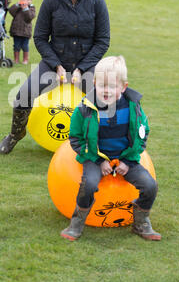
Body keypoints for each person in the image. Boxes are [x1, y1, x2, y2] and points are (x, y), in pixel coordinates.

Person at [0, 0, 110, 155]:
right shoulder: (51, 0)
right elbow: (40, 37)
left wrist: (82, 69)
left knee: (105, 102)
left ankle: (106, 146)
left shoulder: (97, 2)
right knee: (22, 96)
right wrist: (57, 65)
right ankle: (14, 135)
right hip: (53, 63)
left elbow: (102, 41)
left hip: (87, 65)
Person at [61, 55, 161, 242]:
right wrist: (98, 161)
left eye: (112, 86)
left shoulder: (134, 107)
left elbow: (142, 133)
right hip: (94, 157)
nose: (106, 90)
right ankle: (77, 222)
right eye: (102, 85)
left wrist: (128, 161)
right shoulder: (84, 108)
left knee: (150, 186)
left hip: (126, 158)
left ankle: (141, 223)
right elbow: (75, 138)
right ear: (95, 83)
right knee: (89, 184)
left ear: (123, 87)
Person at [8, 0, 36, 64]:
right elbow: (11, 11)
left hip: (25, 31)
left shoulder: (31, 8)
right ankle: (16, 59)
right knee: (16, 46)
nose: (25, 1)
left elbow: (29, 17)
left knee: (25, 46)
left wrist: (25, 9)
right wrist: (17, 5)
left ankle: (25, 59)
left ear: (31, 1)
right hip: (16, 31)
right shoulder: (17, 7)